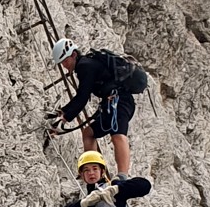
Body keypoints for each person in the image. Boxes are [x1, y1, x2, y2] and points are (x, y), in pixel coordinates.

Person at [46, 39, 146, 175]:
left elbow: (82, 97)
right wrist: (63, 112)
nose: (64, 66)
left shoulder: (84, 66)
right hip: (114, 102)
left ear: (74, 55)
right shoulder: (87, 64)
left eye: (65, 61)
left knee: (118, 135)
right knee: (88, 133)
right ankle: (93, 171)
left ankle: (122, 176)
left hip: (119, 101)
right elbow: (82, 96)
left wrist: (65, 117)